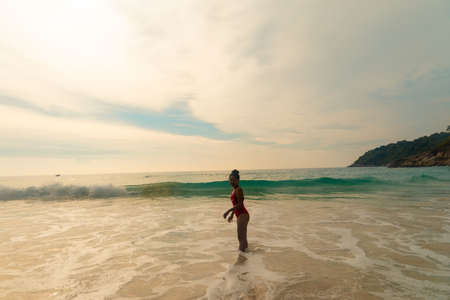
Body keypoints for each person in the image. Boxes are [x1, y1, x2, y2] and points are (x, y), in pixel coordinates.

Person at [223, 169, 249, 252]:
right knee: (242, 237)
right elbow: (236, 205)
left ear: (238, 180)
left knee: (241, 237)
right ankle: (246, 255)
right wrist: (232, 215)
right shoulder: (234, 190)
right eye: (230, 180)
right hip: (240, 215)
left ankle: (242, 255)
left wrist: (228, 211)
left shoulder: (238, 189)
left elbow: (240, 204)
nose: (232, 182)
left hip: (243, 214)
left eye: (234, 180)